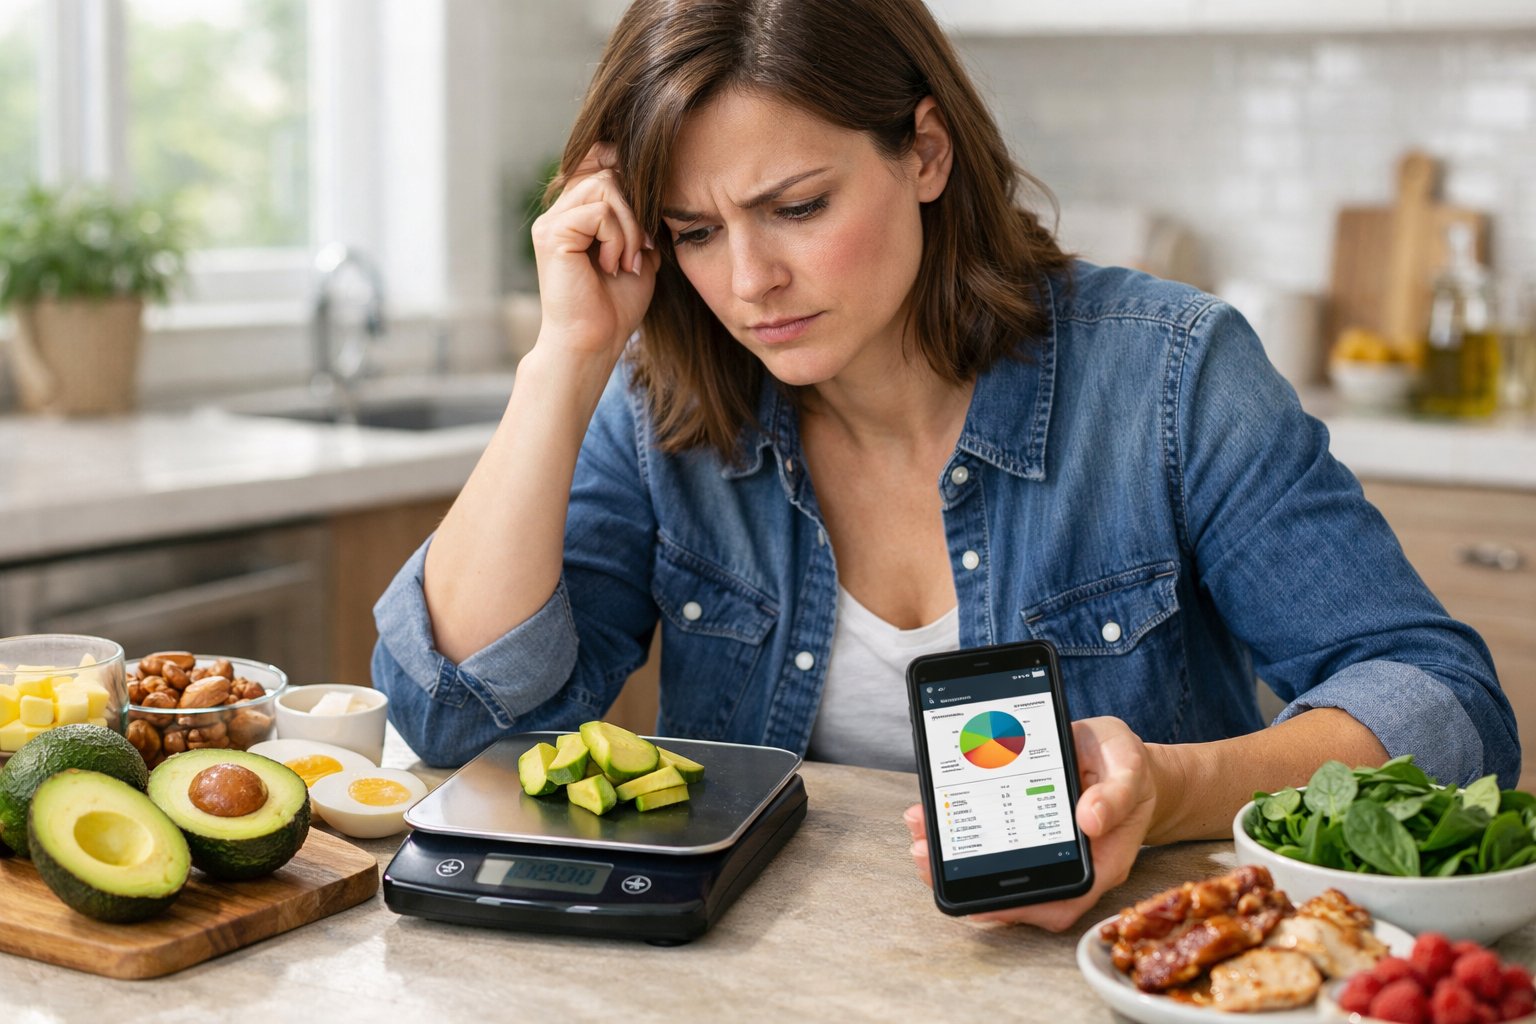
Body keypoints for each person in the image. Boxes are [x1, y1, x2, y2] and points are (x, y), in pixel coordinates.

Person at [372, 0, 1518, 929]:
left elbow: (1443, 703)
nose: (748, 281)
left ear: (925, 151)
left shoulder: (1166, 376)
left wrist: (1174, 789)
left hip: (1124, 968)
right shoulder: (667, 407)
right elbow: (457, 718)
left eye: (798, 206)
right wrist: (565, 357)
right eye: (695, 230)